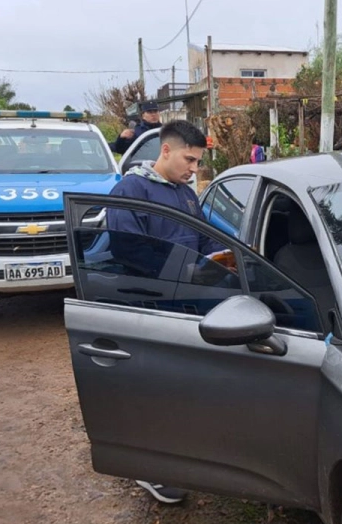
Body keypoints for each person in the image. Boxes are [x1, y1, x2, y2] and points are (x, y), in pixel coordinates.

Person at [105, 120, 225, 504]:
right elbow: (128, 250)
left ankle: (188, 450)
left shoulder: (185, 194)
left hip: (189, 299)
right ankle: (152, 471)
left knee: (184, 388)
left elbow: (204, 235)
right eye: (189, 160)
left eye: (198, 162)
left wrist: (225, 259)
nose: (194, 169)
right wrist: (182, 272)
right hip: (151, 303)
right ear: (166, 151)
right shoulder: (131, 190)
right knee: (154, 389)